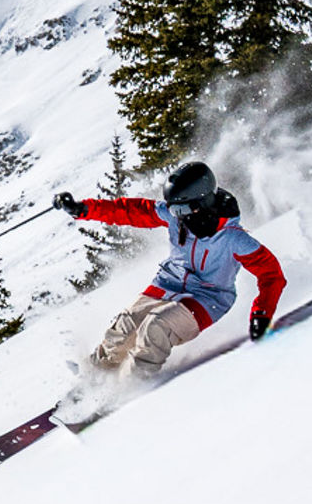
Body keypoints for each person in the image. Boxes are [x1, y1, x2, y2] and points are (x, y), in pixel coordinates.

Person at [54, 161, 286, 377]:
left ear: (202, 203)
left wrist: (262, 313)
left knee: (155, 327)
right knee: (125, 326)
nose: (176, 215)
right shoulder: (176, 216)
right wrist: (82, 209)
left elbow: (272, 275)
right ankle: (95, 377)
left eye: (181, 210)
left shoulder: (234, 239)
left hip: (208, 298)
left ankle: (130, 384)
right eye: (174, 209)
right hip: (167, 283)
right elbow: (130, 210)